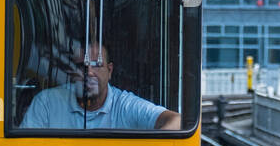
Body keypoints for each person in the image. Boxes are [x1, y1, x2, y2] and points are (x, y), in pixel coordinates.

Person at [20, 40, 181, 130]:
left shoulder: (124, 106)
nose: (89, 72)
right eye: (82, 66)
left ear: (109, 71)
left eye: (96, 65)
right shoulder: (47, 103)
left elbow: (177, 120)